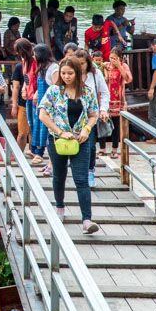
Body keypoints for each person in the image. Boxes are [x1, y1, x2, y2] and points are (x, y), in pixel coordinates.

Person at [37, 57, 100, 234]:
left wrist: (87, 129)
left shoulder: (87, 92)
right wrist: (60, 131)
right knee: (59, 175)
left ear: (78, 74)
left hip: (81, 140)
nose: (66, 76)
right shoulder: (54, 91)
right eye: (63, 73)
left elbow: (93, 114)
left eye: (70, 73)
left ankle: (87, 220)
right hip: (58, 140)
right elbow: (43, 115)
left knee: (81, 179)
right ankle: (60, 206)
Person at [78, 49, 111, 188]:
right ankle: (80, 172)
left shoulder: (95, 74)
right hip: (74, 117)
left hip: (91, 116)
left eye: (82, 64)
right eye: (77, 64)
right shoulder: (71, 74)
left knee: (91, 146)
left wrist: (103, 109)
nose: (80, 67)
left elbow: (104, 93)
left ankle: (90, 170)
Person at [100, 48, 133, 157]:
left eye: (115, 58)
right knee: (103, 122)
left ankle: (114, 149)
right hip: (106, 99)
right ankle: (102, 148)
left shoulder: (123, 66)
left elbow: (128, 79)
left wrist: (118, 65)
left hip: (118, 99)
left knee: (116, 124)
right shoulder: (106, 66)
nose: (112, 60)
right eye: (111, 58)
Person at [31, 44, 58, 170]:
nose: (33, 56)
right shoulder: (43, 67)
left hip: (51, 108)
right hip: (43, 105)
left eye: (34, 54)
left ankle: (52, 164)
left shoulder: (54, 68)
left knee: (50, 135)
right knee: (43, 133)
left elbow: (57, 89)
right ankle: (46, 160)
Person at [10, 39, 34, 152]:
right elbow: (15, 87)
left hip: (35, 101)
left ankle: (33, 152)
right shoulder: (19, 67)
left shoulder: (36, 64)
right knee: (22, 133)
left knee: (33, 132)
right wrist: (14, 105)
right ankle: (19, 155)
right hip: (23, 103)